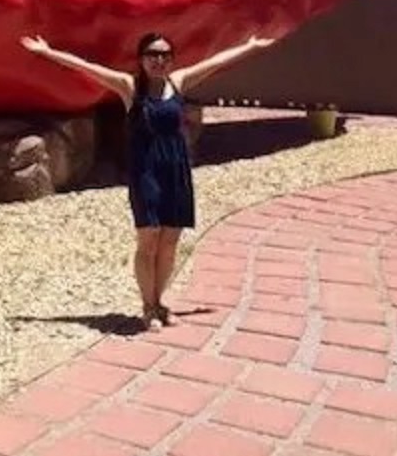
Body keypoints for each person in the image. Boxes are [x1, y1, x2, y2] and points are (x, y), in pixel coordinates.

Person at [20, 30, 274, 331]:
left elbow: (214, 63)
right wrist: (47, 52)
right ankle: (148, 306)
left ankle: (160, 302)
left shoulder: (177, 83)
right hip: (146, 171)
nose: (159, 60)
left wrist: (250, 47)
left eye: (165, 54)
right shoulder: (129, 87)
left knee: (170, 240)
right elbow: (86, 67)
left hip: (177, 169)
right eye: (153, 54)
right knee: (149, 237)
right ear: (141, 59)